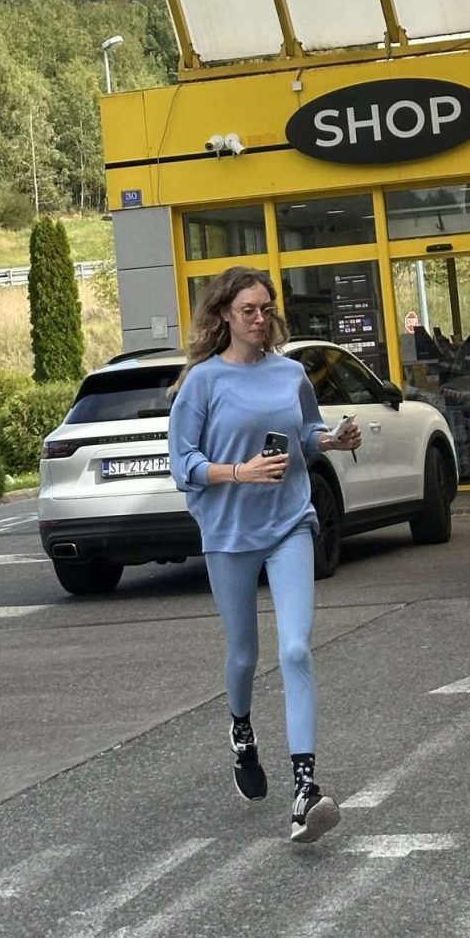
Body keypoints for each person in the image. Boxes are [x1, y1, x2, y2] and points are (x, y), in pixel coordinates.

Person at [168, 266, 362, 844]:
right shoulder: (203, 382)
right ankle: (242, 731)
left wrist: (332, 439)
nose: (259, 319)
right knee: (244, 655)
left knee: (296, 648)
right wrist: (239, 472)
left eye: (265, 308)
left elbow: (305, 431)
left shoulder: (290, 373)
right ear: (224, 315)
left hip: (289, 523)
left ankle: (305, 791)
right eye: (248, 310)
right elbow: (183, 465)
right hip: (229, 531)